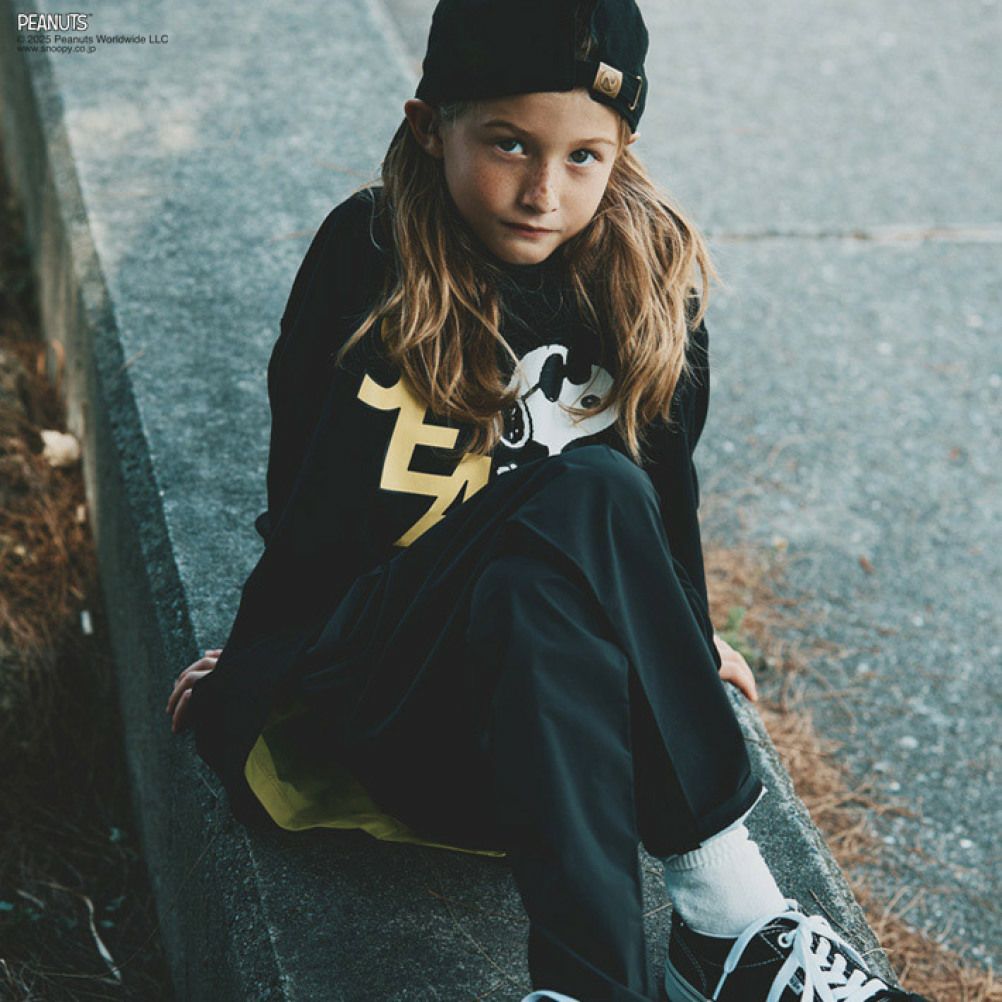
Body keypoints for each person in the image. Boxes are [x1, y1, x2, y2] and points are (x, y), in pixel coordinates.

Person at [166, 2, 931, 1000]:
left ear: (622, 154)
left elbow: (668, 500)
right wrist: (260, 658)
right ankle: (731, 917)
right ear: (428, 125)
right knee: (589, 488)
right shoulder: (371, 252)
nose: (542, 190)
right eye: (509, 144)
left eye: (583, 157)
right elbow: (304, 493)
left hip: (555, 741)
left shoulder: (649, 278)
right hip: (397, 706)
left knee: (563, 551)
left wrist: (678, 636)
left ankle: (589, 985)